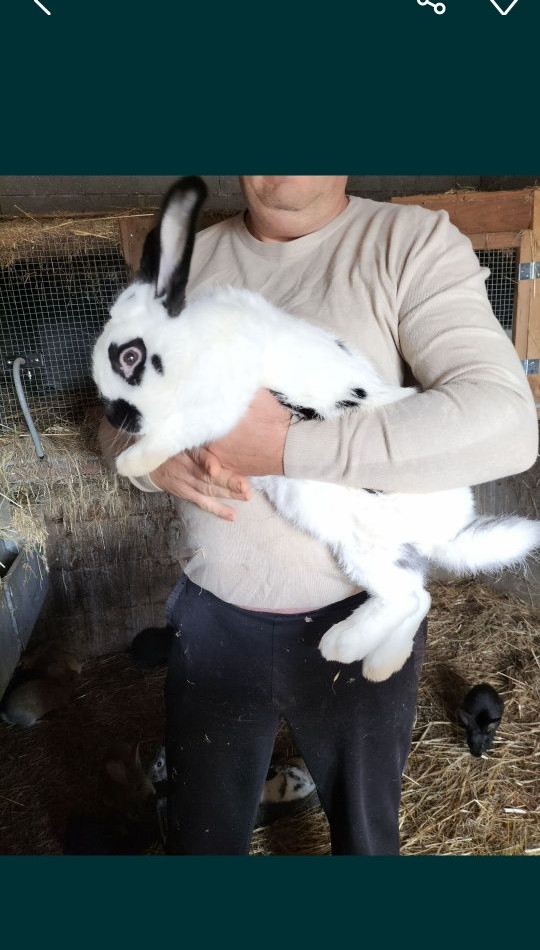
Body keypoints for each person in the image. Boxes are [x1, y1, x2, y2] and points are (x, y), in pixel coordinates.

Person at [100, 176, 538, 855]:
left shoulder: (408, 243)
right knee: (201, 834)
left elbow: (506, 425)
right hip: (214, 618)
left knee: (364, 835)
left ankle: (399, 607)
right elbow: (116, 411)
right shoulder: (191, 265)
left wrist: (283, 449)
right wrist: (151, 459)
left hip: (349, 596)